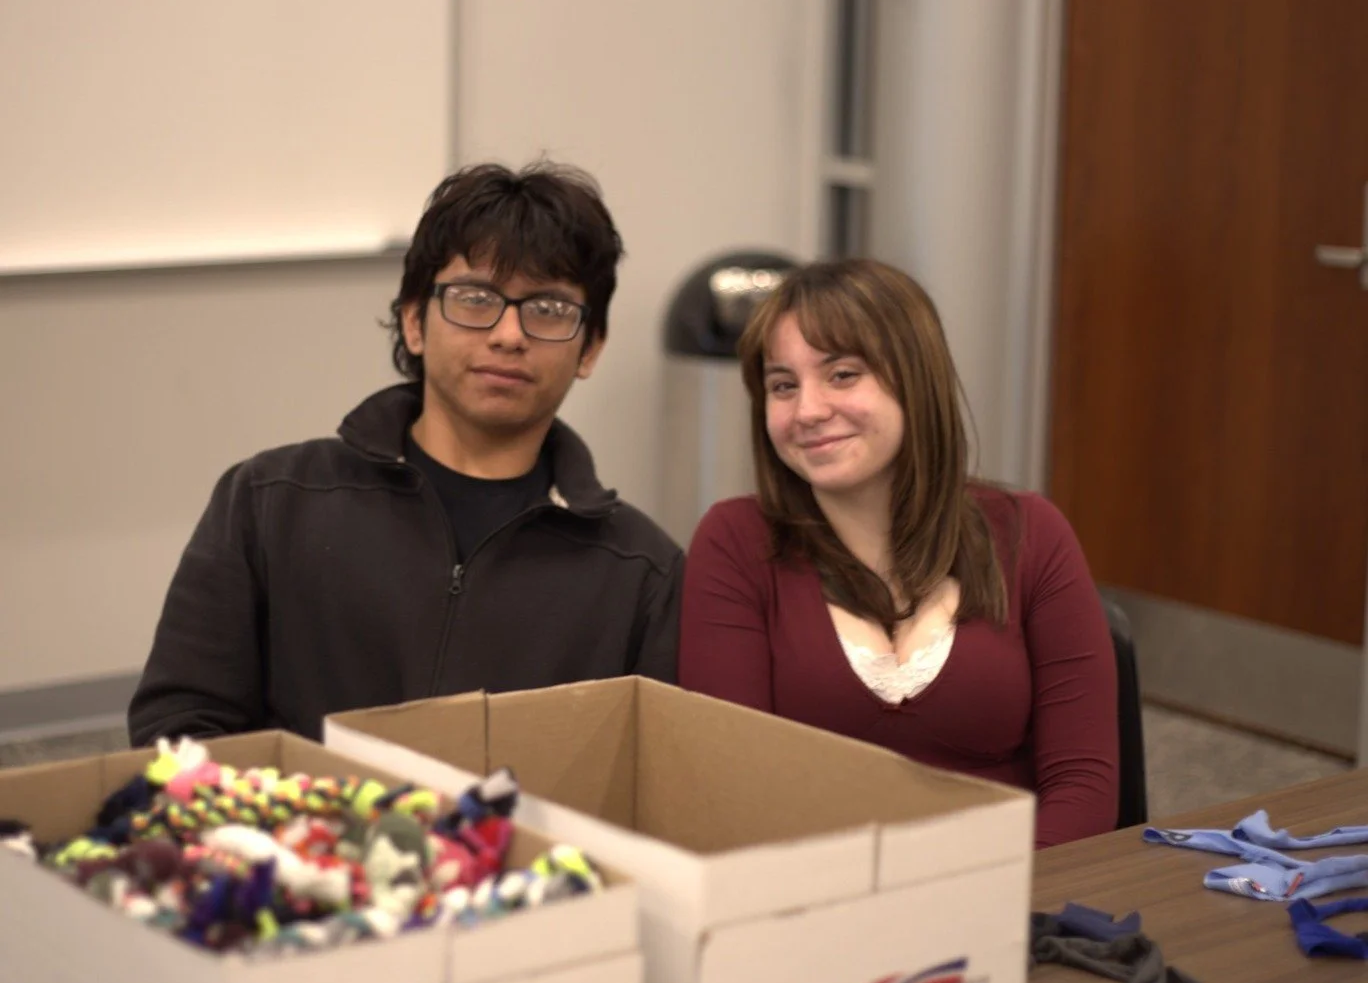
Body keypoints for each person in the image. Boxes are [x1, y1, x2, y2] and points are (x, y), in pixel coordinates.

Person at [129, 162, 682, 744]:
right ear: (414, 322)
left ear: (589, 348)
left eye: (548, 309)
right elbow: (180, 728)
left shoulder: (643, 572)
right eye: (475, 298)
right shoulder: (270, 501)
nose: (509, 334)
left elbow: (645, 781)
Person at [678, 259, 1118, 848]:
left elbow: (1083, 788)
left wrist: (990, 901)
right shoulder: (736, 542)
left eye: (842, 375)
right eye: (784, 385)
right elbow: (730, 789)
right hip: (813, 905)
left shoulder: (1030, 533)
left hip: (1013, 901)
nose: (807, 410)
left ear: (914, 379)